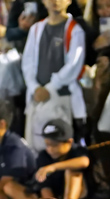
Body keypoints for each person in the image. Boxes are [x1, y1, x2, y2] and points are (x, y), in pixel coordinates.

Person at [22, 0, 87, 151]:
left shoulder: (74, 30)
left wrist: (50, 88)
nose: (55, 2)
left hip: (63, 97)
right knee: (35, 146)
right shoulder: (36, 29)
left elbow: (73, 65)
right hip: (36, 98)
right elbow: (28, 62)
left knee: (61, 147)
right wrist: (34, 87)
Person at [27, 118, 90, 199]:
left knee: (72, 172)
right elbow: (45, 187)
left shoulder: (76, 151)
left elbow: (84, 162)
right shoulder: (44, 157)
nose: (50, 149)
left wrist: (54, 167)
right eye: (47, 145)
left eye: (54, 145)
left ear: (69, 142)